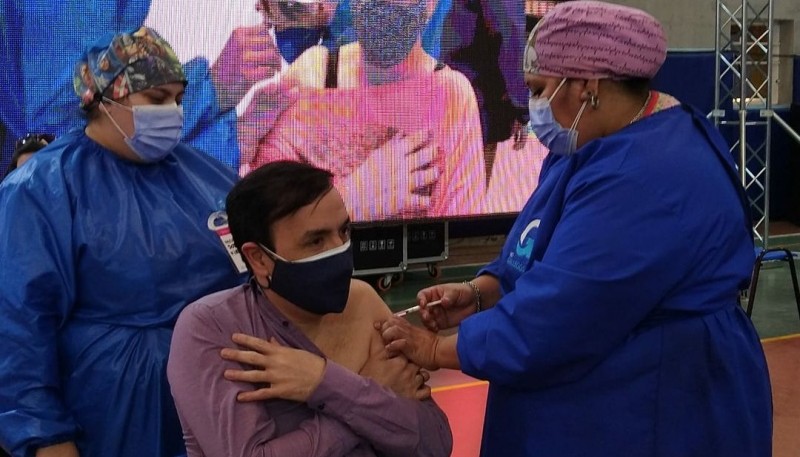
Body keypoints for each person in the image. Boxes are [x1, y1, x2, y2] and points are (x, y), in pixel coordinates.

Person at [377, 2, 773, 456]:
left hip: (653, 401)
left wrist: (435, 351)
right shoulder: (588, 145)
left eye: (540, 90)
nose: (534, 108)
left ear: (586, 86)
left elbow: (560, 313)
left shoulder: (648, 174)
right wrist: (484, 291)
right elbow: (540, 244)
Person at [0, 27, 245, 457]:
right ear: (102, 101)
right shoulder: (43, 189)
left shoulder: (207, 177)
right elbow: (17, 327)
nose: (171, 111)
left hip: (224, 403)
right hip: (111, 416)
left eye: (177, 99)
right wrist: (45, 437)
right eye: (155, 99)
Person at [167, 160, 453, 456]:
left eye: (343, 232)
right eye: (316, 241)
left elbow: (434, 443)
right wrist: (358, 391)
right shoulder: (214, 327)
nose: (339, 250)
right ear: (259, 259)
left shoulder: (362, 301)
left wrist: (325, 383)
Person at [243, 0, 486, 222]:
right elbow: (267, 219)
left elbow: (456, 236)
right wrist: (348, 200)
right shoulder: (313, 76)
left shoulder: (451, 94)